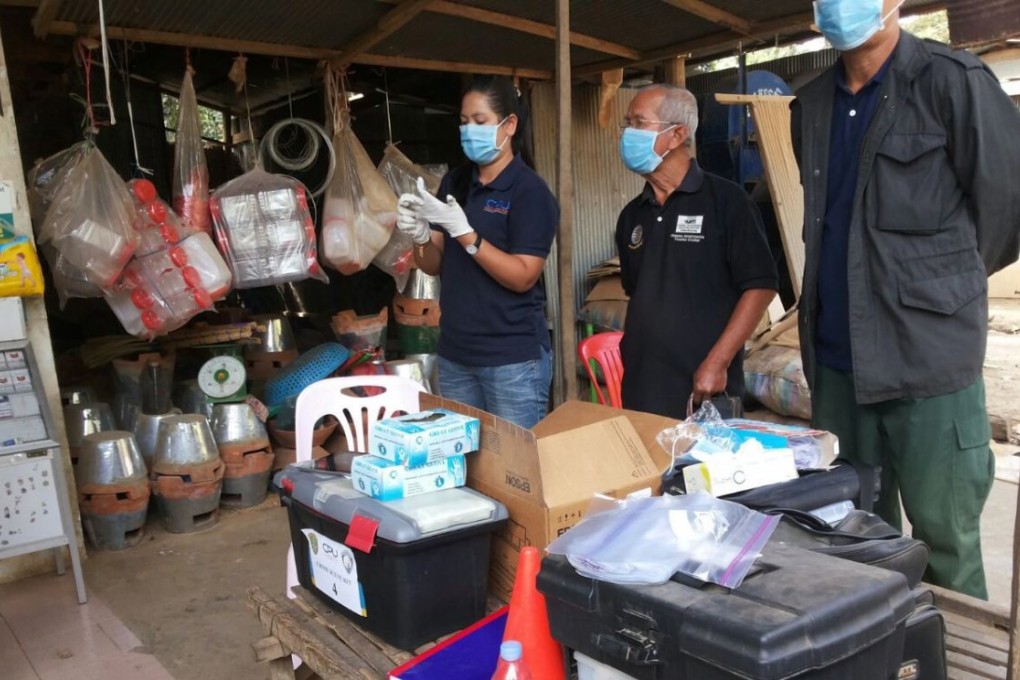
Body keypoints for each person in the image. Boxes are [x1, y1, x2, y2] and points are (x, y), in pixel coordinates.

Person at [792, 0, 1020, 598]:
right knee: (852, 535)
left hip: (927, 363)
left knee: (944, 539)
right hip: (838, 365)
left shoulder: (953, 81)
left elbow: (1006, 211)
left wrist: (942, 290)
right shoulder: (809, 106)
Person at [397, 76, 558, 429]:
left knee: (516, 473)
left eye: (480, 121)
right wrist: (420, 236)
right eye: (464, 121)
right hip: (456, 354)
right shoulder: (455, 182)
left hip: (512, 359)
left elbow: (523, 277)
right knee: (466, 467)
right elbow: (433, 264)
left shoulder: (530, 192)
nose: (470, 130)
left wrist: (467, 235)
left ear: (509, 124)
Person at [614, 84, 778, 420]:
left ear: (677, 135)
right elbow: (639, 293)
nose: (627, 133)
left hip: (704, 385)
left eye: (638, 123)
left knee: (703, 473)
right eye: (626, 123)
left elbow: (760, 286)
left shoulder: (727, 202)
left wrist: (717, 362)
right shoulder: (632, 215)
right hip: (643, 386)